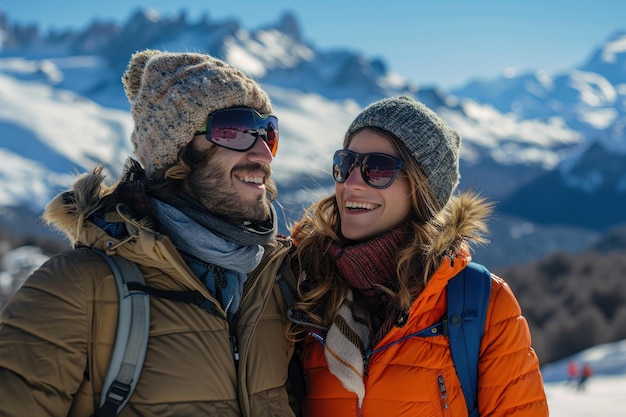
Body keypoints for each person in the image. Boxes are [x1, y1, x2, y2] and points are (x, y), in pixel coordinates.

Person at [0, 49, 297, 417]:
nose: (264, 154)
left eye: (268, 132)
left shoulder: (278, 281)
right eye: (234, 130)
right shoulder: (79, 288)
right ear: (176, 153)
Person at [287, 96, 549, 416]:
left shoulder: (481, 303)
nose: (352, 182)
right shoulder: (300, 286)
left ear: (422, 188)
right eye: (346, 163)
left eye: (378, 168)